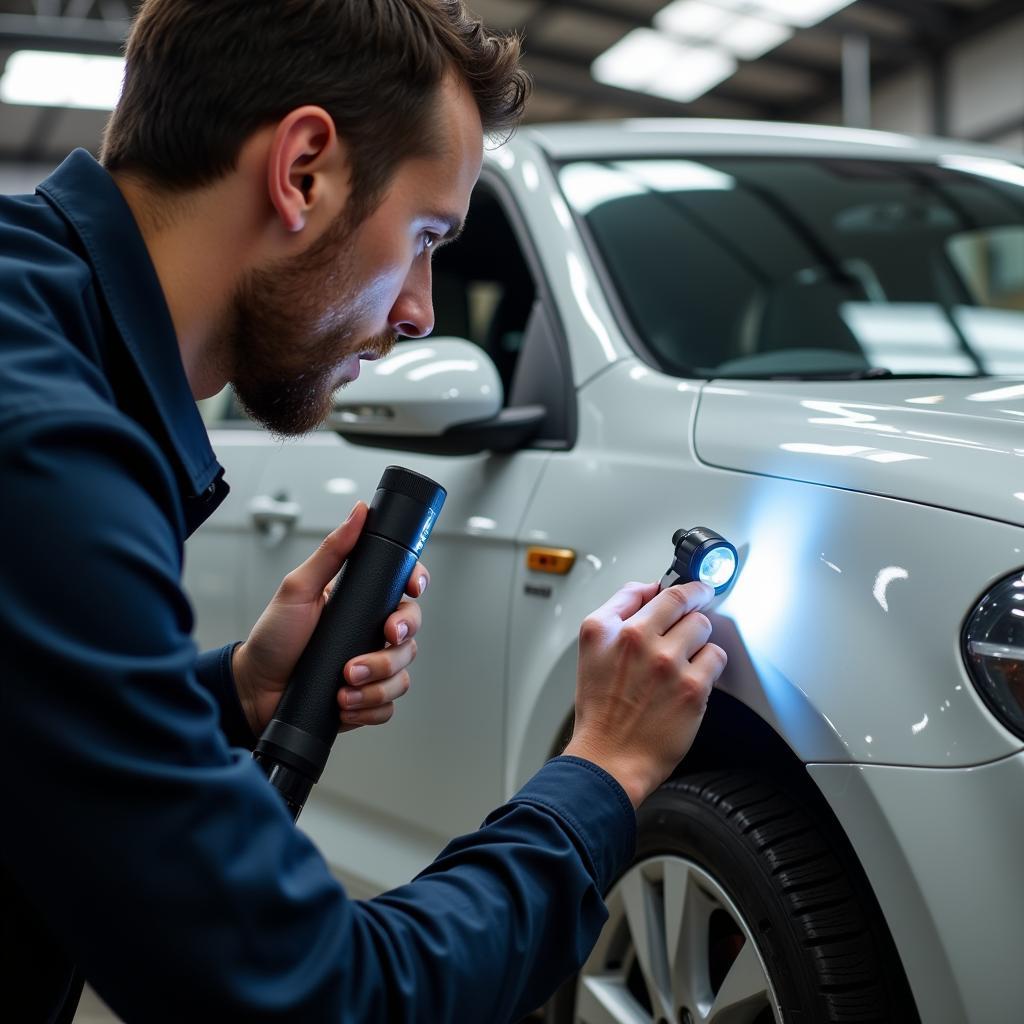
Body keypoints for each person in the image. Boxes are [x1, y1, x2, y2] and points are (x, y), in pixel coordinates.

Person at [0, 1, 727, 1021]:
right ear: (303, 171)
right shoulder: (46, 451)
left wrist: (236, 692)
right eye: (425, 234)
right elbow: (314, 995)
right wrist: (601, 774)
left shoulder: (37, 326)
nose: (421, 309)